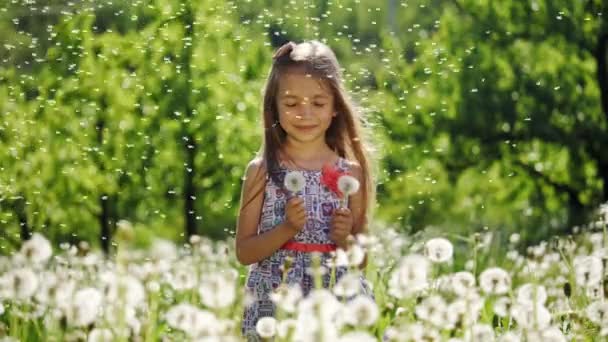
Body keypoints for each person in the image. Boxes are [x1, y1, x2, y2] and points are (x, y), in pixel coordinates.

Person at [235, 40, 376, 340]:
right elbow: (245, 252)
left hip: (335, 301)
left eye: (318, 103)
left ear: (336, 106)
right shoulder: (262, 171)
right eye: (291, 103)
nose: (305, 113)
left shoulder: (350, 174)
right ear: (273, 106)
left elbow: (361, 259)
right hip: (275, 303)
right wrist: (287, 228)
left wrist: (344, 239)